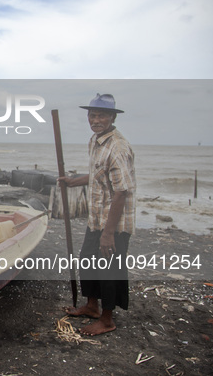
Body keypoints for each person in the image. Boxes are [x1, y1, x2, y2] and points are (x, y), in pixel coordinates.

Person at [58, 93, 136, 336]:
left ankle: (107, 319)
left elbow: (121, 192)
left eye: (101, 115)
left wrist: (108, 234)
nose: (96, 119)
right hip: (97, 218)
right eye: (92, 115)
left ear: (112, 117)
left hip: (114, 223)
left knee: (109, 269)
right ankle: (92, 307)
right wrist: (73, 181)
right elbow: (99, 176)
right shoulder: (95, 140)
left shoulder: (117, 147)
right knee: (88, 260)